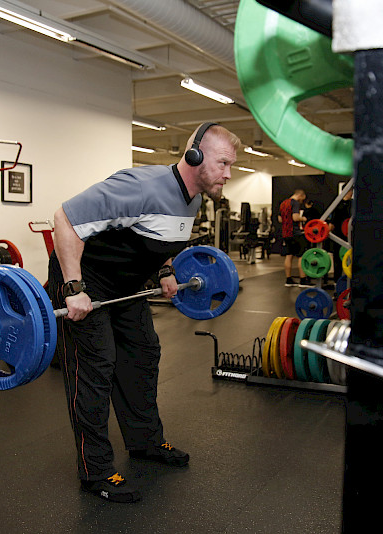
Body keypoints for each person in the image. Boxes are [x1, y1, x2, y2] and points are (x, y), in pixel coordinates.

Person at [47, 123, 241, 503]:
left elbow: (160, 238)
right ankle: (95, 470)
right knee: (97, 364)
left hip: (127, 285)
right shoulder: (141, 186)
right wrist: (73, 289)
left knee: (143, 354)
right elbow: (64, 220)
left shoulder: (194, 197)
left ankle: (146, 442)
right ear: (195, 156)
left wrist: (166, 269)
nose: (228, 174)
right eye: (223, 163)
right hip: (86, 283)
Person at [278, 189, 313, 287]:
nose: (302, 202)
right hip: (295, 233)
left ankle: (288, 280)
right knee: (301, 256)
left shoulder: (283, 203)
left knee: (289, 255)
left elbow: (280, 219)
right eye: (302, 199)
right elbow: (295, 218)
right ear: (300, 196)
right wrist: (304, 219)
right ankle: (303, 280)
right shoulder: (295, 203)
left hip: (286, 234)